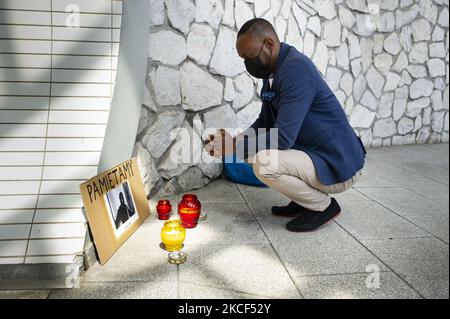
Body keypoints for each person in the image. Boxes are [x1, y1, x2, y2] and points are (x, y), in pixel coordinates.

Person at [204, 18, 366, 232]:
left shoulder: (296, 70)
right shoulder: (273, 71)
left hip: (337, 161)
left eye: (249, 56)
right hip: (314, 152)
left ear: (269, 44)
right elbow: (264, 121)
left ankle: (322, 207)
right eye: (243, 58)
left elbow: (282, 138)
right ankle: (303, 201)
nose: (247, 64)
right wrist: (235, 140)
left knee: (264, 162)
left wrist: (233, 148)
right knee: (251, 150)